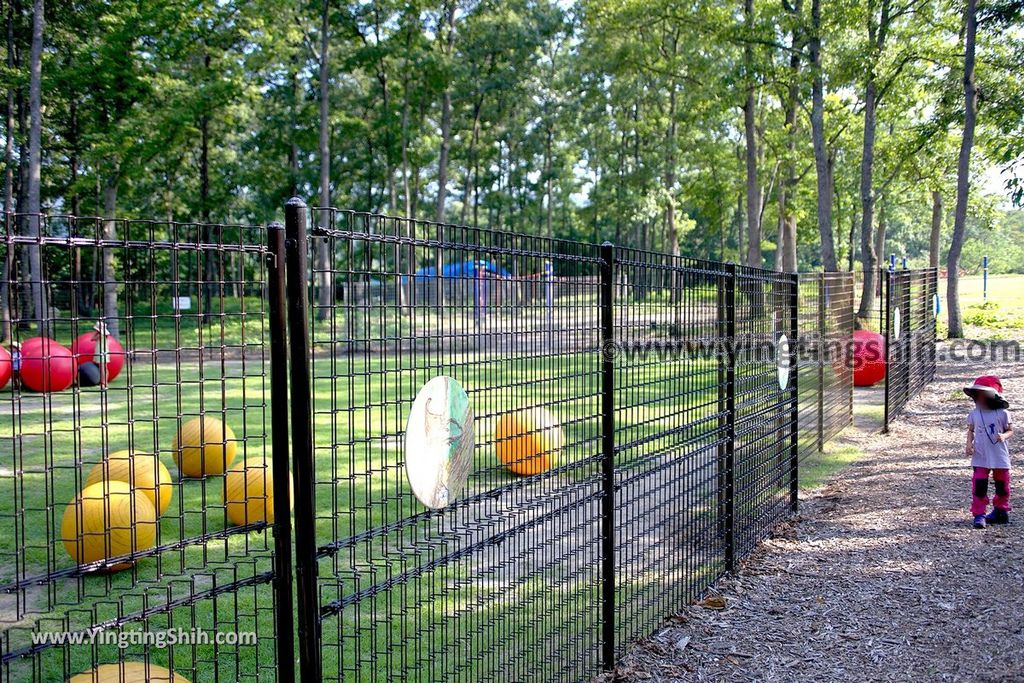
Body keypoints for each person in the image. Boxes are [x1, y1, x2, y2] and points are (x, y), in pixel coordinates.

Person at [964, 375, 1013, 528]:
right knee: (979, 484)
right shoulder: (974, 414)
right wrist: (968, 444)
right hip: (981, 454)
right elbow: (971, 430)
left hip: (999, 454)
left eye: (983, 394)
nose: (980, 397)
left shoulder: (1003, 414)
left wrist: (1004, 436)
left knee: (1002, 483)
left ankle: (1001, 511)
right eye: (977, 394)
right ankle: (979, 514)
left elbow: (1010, 430)